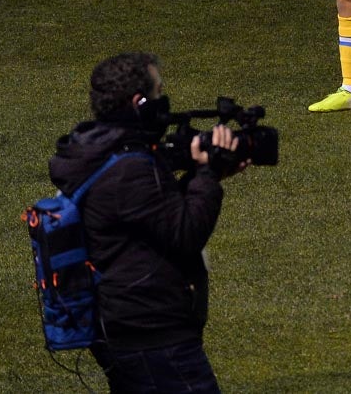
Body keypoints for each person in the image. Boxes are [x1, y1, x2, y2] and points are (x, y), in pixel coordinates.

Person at [48, 53, 247, 392]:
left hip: (128, 324)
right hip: (151, 334)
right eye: (158, 93)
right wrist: (208, 175)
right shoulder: (129, 168)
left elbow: (153, 214)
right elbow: (184, 232)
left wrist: (201, 176)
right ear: (138, 101)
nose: (163, 102)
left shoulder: (105, 151)